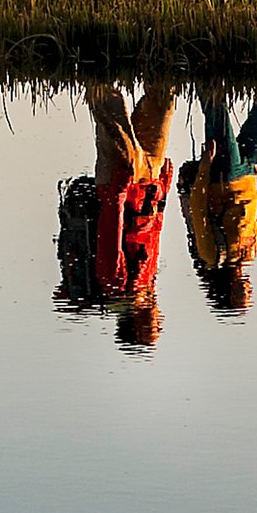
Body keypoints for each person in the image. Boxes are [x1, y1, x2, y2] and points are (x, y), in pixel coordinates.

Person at [78, 77, 178, 348]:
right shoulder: (146, 286)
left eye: (155, 328)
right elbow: (152, 234)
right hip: (149, 184)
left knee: (112, 108)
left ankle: (93, 63)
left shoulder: (115, 285)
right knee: (164, 103)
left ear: (138, 325)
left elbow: (110, 232)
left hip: (120, 180)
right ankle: (157, 56)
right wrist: (164, 189)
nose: (160, 322)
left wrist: (118, 192)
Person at [183, 87, 257, 313]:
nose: (248, 289)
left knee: (216, 110)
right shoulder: (249, 253)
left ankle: (204, 70)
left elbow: (198, 210)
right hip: (251, 170)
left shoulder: (212, 254)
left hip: (225, 175)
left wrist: (205, 167)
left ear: (227, 291)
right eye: (248, 294)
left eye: (242, 295)